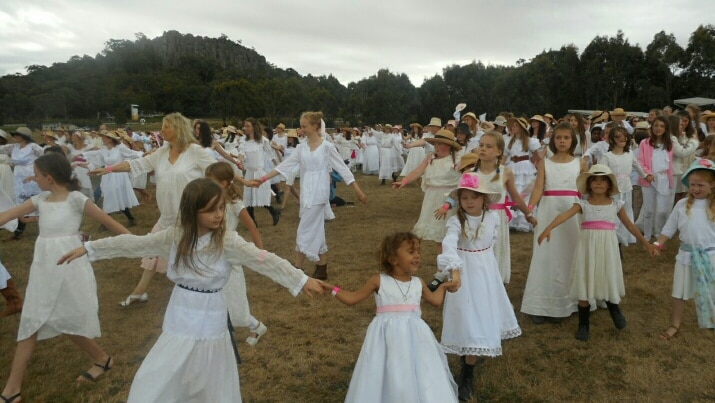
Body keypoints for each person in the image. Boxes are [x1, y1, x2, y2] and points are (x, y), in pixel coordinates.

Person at [57, 178, 324, 402]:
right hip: (180, 313)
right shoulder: (175, 236)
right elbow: (134, 245)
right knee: (160, 372)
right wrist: (92, 249)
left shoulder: (228, 241)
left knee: (209, 373)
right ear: (192, 211)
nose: (219, 215)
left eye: (221, 208)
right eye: (211, 210)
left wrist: (300, 280)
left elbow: (265, 260)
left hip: (212, 316)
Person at [0, 153, 132, 403]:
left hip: (70, 266)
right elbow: (5, 216)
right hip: (44, 270)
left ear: (49, 178)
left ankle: (11, 390)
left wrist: (142, 245)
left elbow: (112, 224)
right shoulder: (40, 199)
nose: (34, 178)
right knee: (34, 320)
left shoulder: (76, 199)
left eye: (37, 175)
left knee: (58, 316)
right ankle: (13, 389)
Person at [90, 112, 229, 307]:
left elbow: (218, 171)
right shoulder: (162, 152)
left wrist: (221, 196)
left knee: (192, 257)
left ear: (178, 129)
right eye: (162, 127)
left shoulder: (195, 151)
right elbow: (137, 164)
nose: (162, 131)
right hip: (167, 215)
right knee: (152, 250)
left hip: (190, 216)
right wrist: (109, 169)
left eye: (166, 127)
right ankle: (139, 292)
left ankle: (200, 294)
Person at [320, 232, 458, 403]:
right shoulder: (378, 281)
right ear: (393, 259)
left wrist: (443, 287)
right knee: (388, 369)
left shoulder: (418, 282)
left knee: (420, 369)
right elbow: (353, 299)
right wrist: (332, 290)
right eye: (411, 252)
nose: (417, 256)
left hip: (416, 337)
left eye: (418, 252)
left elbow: (435, 301)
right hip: (386, 338)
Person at [538, 165, 657, 341]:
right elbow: (564, 215)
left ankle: (614, 308)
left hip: (607, 247)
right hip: (587, 247)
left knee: (606, 275)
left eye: (603, 180)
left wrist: (646, 243)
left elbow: (630, 225)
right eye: (595, 180)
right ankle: (583, 324)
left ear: (609, 185)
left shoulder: (616, 204)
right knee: (585, 279)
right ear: (589, 184)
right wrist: (548, 228)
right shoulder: (583, 204)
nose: (599, 183)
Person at [253, 111, 367, 280]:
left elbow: (342, 169)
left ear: (314, 127)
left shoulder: (327, 147)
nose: (302, 129)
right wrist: (263, 179)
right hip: (306, 193)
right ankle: (322, 268)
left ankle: (297, 268)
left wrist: (357, 190)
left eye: (304, 126)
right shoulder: (301, 148)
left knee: (304, 229)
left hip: (320, 193)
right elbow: (284, 166)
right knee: (316, 229)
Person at [437, 173, 521, 401]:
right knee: (464, 311)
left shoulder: (493, 217)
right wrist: (453, 267)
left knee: (482, 310)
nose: (469, 202)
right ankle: (466, 359)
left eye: (474, 197)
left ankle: (470, 366)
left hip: (485, 270)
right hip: (464, 270)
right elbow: (449, 244)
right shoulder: (455, 220)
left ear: (484, 199)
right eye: (464, 198)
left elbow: (492, 242)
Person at [521, 122, 587, 323]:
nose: (562, 141)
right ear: (553, 141)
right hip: (549, 209)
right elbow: (539, 188)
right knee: (546, 255)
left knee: (570, 254)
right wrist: (530, 209)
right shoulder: (545, 163)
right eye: (558, 138)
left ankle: (568, 302)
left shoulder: (580, 163)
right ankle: (542, 304)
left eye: (566, 138)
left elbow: (584, 190)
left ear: (572, 141)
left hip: (572, 211)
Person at [205, 162, 267, 345]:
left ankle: (255, 326)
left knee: (234, 296)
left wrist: (261, 253)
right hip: (211, 253)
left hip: (228, 255)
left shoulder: (234, 203)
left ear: (224, 183)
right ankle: (218, 329)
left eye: (211, 180)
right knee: (214, 294)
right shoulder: (211, 200)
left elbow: (252, 227)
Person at [654, 159, 715, 340]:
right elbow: (669, 228)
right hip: (686, 256)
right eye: (692, 185)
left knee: (711, 290)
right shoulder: (681, 205)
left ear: (712, 185)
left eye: (701, 185)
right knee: (679, 292)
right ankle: (675, 324)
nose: (695, 189)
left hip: (710, 256)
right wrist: (659, 244)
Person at [393, 129, 462, 244]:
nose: (436, 147)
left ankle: (449, 259)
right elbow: (418, 171)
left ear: (449, 146)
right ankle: (441, 260)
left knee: (447, 235)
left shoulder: (456, 160)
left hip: (448, 199)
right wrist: (404, 181)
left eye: (440, 144)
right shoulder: (430, 157)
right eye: (435, 144)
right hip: (431, 198)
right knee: (437, 236)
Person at [600, 127, 651, 247]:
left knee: (626, 212)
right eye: (618, 136)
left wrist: (645, 175)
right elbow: (602, 173)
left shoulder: (629, 154)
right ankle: (612, 235)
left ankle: (624, 236)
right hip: (613, 189)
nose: (622, 139)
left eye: (624, 136)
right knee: (613, 212)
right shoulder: (607, 156)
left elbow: (637, 166)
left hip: (626, 187)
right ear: (612, 140)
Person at [82, 130, 141, 227]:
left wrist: (143, 154)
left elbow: (132, 154)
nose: (103, 139)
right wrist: (85, 164)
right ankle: (129, 219)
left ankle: (105, 223)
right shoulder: (103, 150)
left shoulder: (120, 147)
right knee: (111, 196)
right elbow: (98, 161)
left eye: (104, 137)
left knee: (114, 196)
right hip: (107, 176)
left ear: (110, 139)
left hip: (119, 175)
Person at [0, 127, 44, 240]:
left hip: (31, 176)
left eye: (17, 135)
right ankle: (18, 232)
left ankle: (45, 228)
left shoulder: (33, 147)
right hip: (18, 177)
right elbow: (1, 149)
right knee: (20, 204)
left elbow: (46, 155)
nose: (14, 137)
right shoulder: (13, 147)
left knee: (36, 202)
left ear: (23, 137)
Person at [238, 117, 281, 226]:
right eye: (245, 126)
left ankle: (274, 211)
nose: (245, 128)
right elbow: (241, 152)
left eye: (248, 126)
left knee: (261, 195)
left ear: (253, 127)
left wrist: (278, 167)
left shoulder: (263, 140)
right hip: (249, 173)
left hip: (259, 173)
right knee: (249, 198)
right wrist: (241, 160)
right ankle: (253, 221)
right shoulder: (243, 140)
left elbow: (271, 154)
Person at [636, 116, 674, 240]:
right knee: (648, 210)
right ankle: (647, 234)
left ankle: (658, 233)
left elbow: (669, 163)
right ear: (652, 127)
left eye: (662, 126)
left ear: (666, 129)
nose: (658, 128)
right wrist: (647, 174)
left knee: (662, 210)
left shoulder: (669, 144)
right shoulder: (645, 143)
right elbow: (640, 161)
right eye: (656, 125)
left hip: (664, 178)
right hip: (649, 178)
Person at [504, 117, 542, 232]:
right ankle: (512, 221)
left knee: (524, 192)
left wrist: (540, 170)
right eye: (513, 126)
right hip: (512, 167)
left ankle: (524, 222)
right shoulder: (509, 141)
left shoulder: (530, 141)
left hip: (525, 168)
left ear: (522, 128)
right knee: (512, 192)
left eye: (516, 125)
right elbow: (504, 157)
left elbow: (537, 157)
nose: (513, 127)